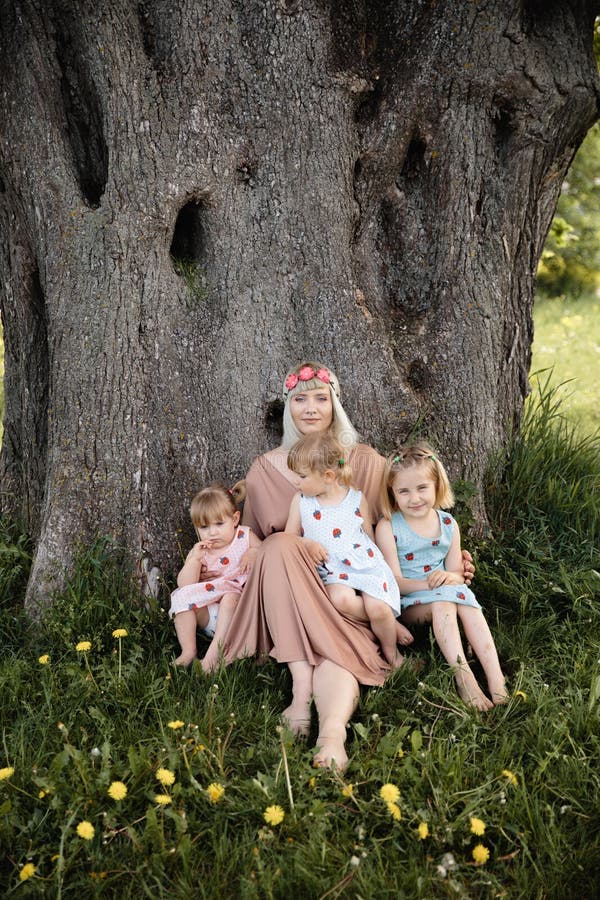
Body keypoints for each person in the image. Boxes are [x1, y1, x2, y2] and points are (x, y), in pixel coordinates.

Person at [221, 362, 474, 770]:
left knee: (337, 658)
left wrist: (445, 556)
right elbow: (248, 540)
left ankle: (332, 737)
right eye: (299, 399)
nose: (310, 409)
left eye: (321, 398)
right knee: (281, 545)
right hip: (292, 595)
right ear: (287, 407)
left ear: (335, 404)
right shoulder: (265, 469)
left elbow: (404, 522)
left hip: (350, 592)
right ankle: (301, 696)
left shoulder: (364, 462)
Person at [376, 442, 507, 710]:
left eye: (422, 488)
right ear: (392, 492)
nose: (414, 498)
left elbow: (457, 574)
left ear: (437, 485)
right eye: (404, 491)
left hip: (447, 592)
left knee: (467, 604)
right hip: (411, 603)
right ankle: (464, 677)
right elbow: (395, 583)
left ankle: (496, 681)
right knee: (445, 601)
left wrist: (449, 578)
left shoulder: (448, 525)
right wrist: (431, 584)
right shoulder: (389, 526)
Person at [285, 433, 404, 669]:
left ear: (328, 476)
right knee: (340, 600)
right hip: (332, 568)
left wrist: (380, 566)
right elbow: (288, 539)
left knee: (377, 605)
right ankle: (388, 620)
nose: (296, 481)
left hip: (365, 564)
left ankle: (392, 652)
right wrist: (307, 545)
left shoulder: (356, 499)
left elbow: (368, 536)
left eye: (301, 476)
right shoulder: (301, 501)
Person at [169, 483, 261, 672]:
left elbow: (265, 551)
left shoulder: (244, 536)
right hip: (210, 617)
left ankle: (213, 656)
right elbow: (185, 585)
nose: (212, 532)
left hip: (236, 614)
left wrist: (254, 552)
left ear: (235, 519)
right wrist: (194, 560)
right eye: (204, 527)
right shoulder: (201, 550)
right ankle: (188, 651)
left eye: (219, 524)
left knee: (230, 598)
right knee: (181, 596)